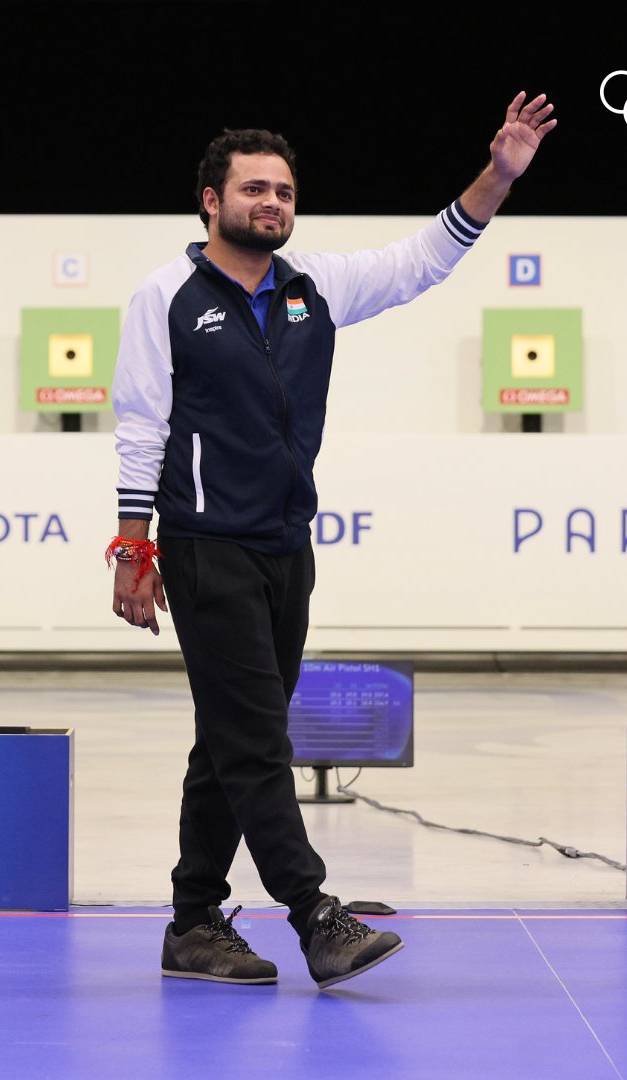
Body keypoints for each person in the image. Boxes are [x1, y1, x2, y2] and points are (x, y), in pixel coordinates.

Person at [108, 91, 556, 988]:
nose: (271, 204)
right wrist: (135, 548)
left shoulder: (314, 287)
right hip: (203, 545)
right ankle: (315, 915)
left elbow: (423, 257)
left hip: (285, 547)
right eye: (252, 191)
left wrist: (498, 178)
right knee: (256, 741)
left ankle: (194, 923)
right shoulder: (164, 298)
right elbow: (140, 422)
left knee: (233, 736)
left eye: (282, 191)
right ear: (210, 201)